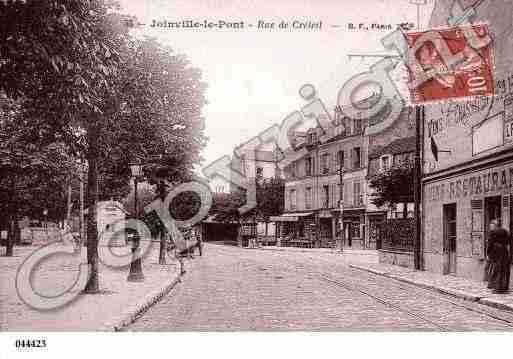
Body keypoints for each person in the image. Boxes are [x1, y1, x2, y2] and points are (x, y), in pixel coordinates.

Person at [486, 219, 512, 293]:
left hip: (496, 251)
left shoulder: (493, 232)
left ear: (495, 225)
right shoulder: (505, 231)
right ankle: (504, 287)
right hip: (504, 250)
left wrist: (488, 253)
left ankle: (497, 288)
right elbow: (508, 241)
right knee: (505, 269)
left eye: (491, 225)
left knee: (497, 268)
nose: (490, 226)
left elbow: (490, 243)